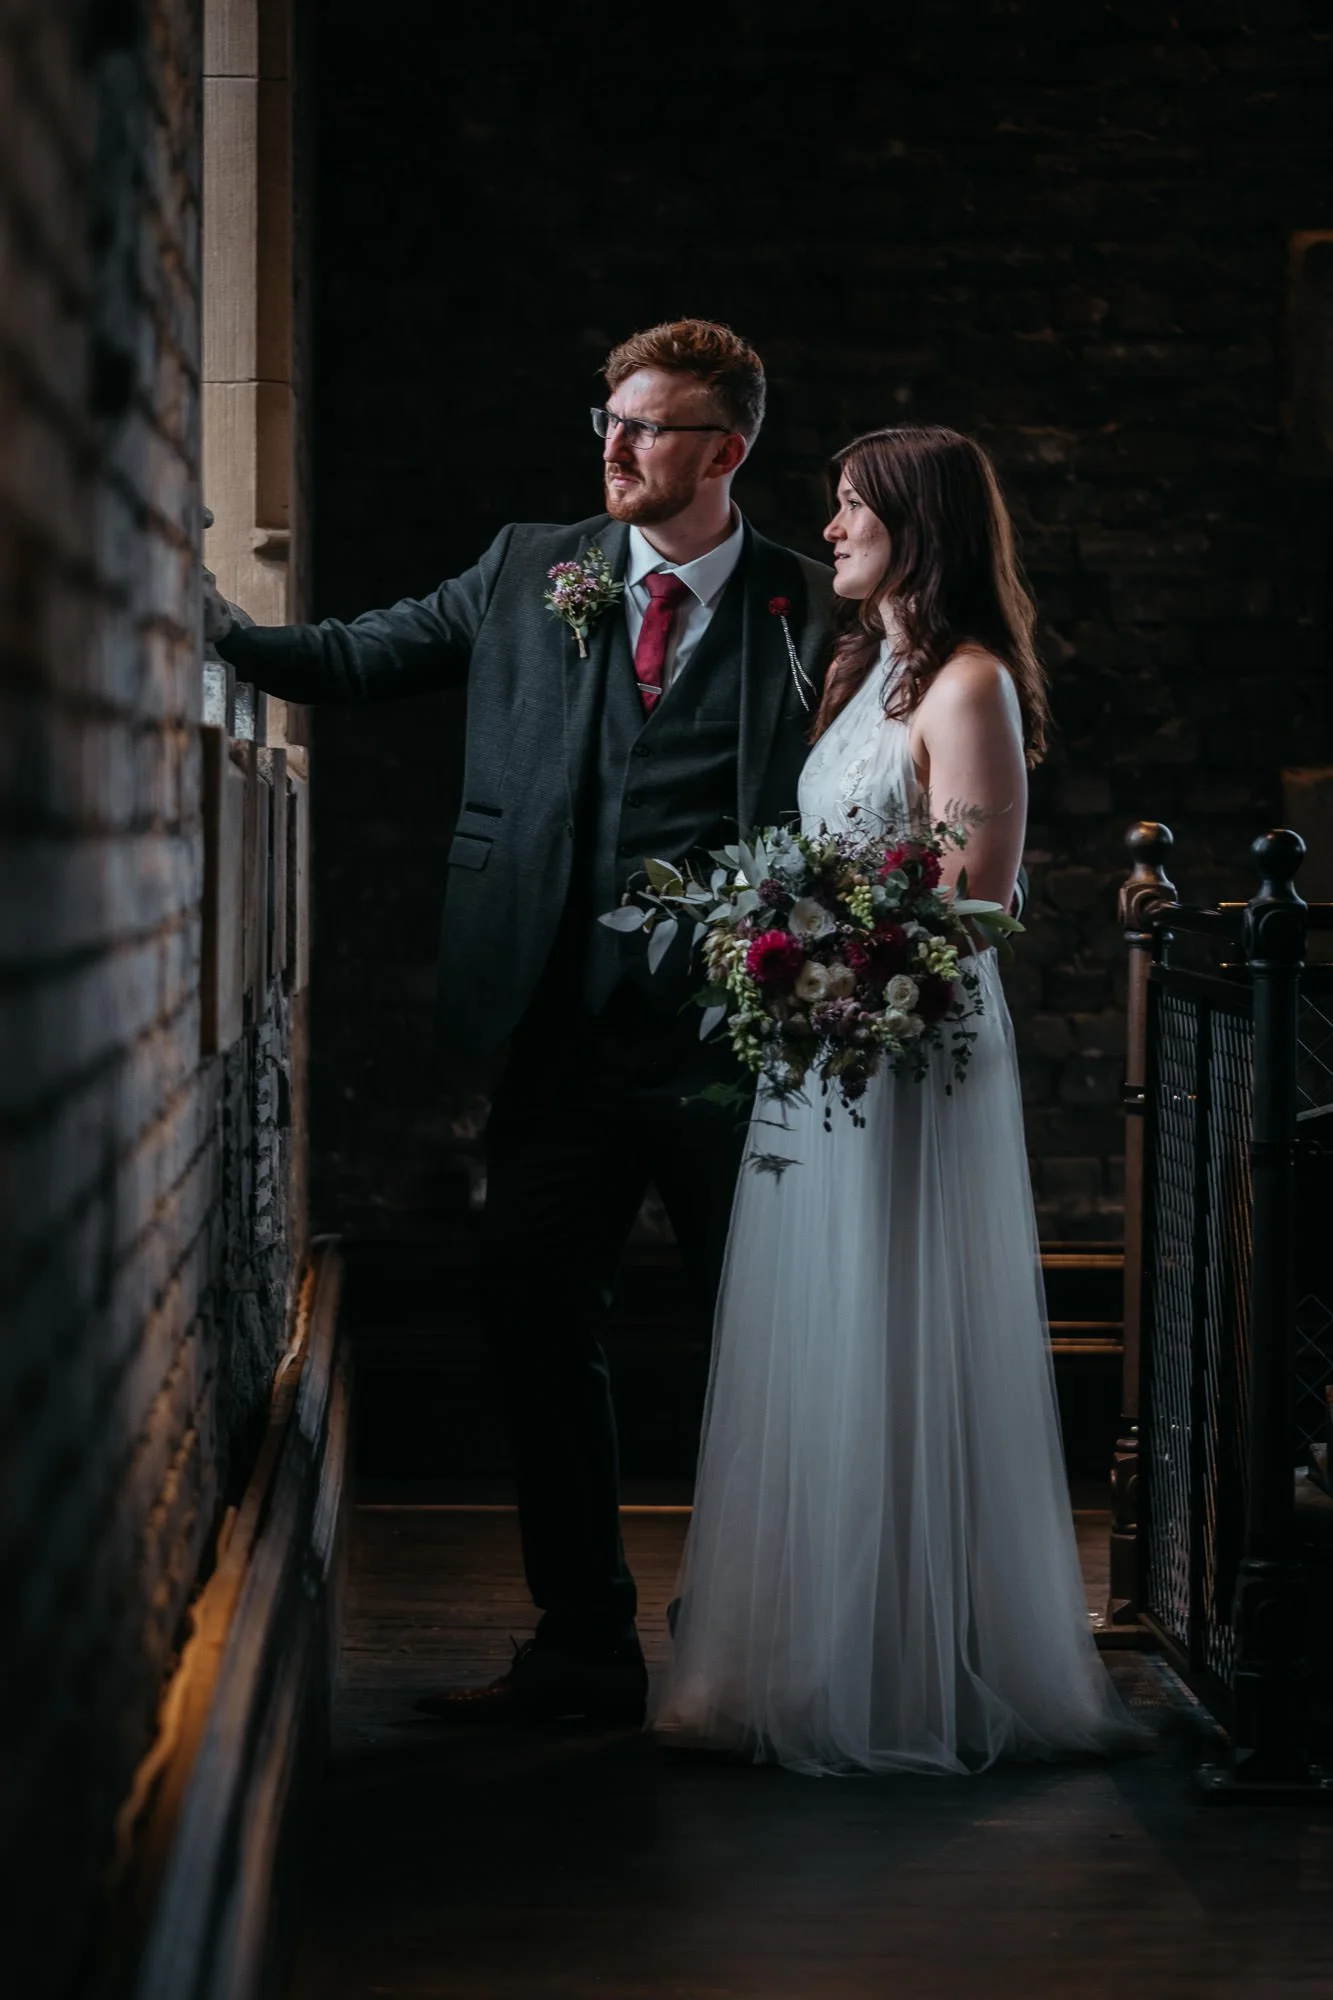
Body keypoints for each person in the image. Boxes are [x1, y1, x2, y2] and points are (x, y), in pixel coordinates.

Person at [204, 320, 833, 1725]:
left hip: (742, 1053)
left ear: (725, 451)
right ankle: (582, 1644)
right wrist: (209, 634)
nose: (614, 447)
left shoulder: (811, 606)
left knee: (781, 1343)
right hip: (558, 1039)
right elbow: (361, 656)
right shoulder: (528, 566)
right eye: (607, 419)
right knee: (532, 1310)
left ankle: (773, 1642)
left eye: (650, 427)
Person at [651, 426, 1135, 1774]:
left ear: (918, 528)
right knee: (819, 1330)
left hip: (910, 1047)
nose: (837, 528)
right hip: (828, 1041)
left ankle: (912, 1669)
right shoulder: (867, 676)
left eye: (855, 509)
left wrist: (827, 951)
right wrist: (787, 946)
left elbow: (978, 902)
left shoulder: (967, 684)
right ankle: (804, 1647)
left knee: (896, 1324)